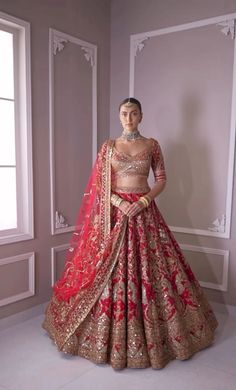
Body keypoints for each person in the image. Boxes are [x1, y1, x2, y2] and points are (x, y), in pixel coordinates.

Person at [42, 97, 218, 370]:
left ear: (141, 116)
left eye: (133, 113)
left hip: (145, 212)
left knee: (154, 270)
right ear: (119, 115)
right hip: (115, 215)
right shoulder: (108, 147)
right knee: (105, 270)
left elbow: (161, 180)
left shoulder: (152, 145)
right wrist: (121, 203)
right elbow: (101, 185)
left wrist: (143, 202)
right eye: (124, 113)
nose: (128, 118)